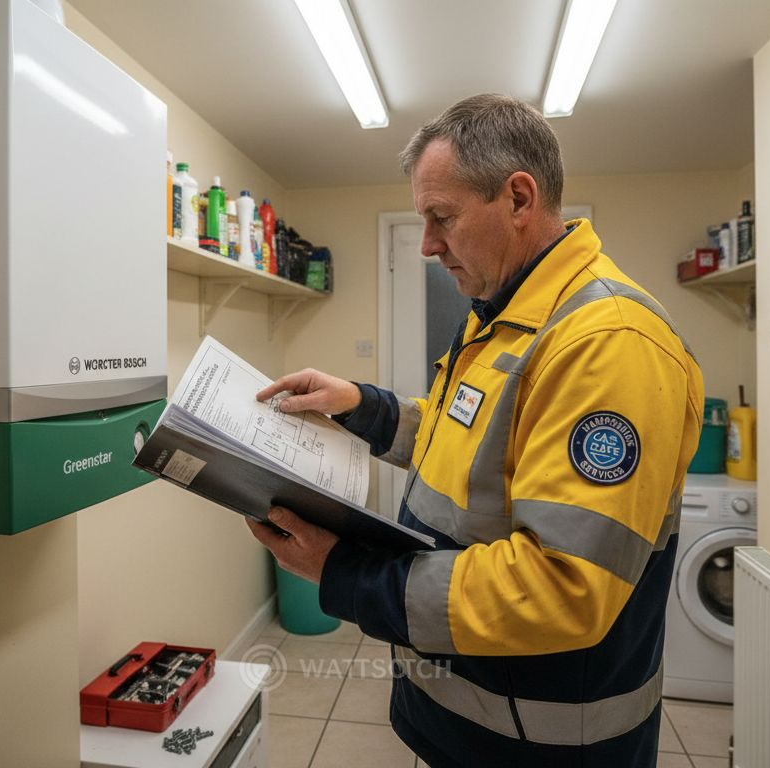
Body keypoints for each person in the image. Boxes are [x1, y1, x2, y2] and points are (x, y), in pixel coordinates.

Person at [248, 94, 704, 767]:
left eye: (442, 218)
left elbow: (559, 588)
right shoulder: (500, 311)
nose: (430, 244)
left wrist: (344, 574)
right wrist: (360, 405)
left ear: (519, 199)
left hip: (540, 748)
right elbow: (464, 435)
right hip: (462, 721)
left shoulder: (609, 342)